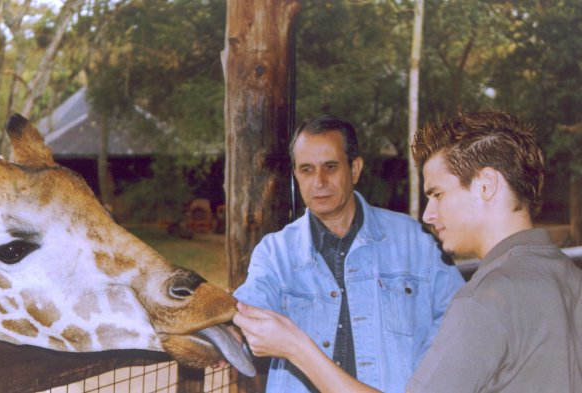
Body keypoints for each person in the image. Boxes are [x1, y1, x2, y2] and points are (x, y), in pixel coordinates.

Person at [234, 111, 582, 392]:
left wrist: (297, 347)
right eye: (306, 170)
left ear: (487, 185)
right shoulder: (570, 277)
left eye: (438, 194)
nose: (429, 214)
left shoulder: (481, 301)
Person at [233, 114, 465, 393]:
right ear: (296, 175)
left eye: (330, 167)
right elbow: (243, 315)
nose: (318, 181)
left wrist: (425, 383)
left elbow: (457, 321)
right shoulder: (275, 253)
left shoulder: (415, 241)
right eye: (306, 170)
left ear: (354, 169)